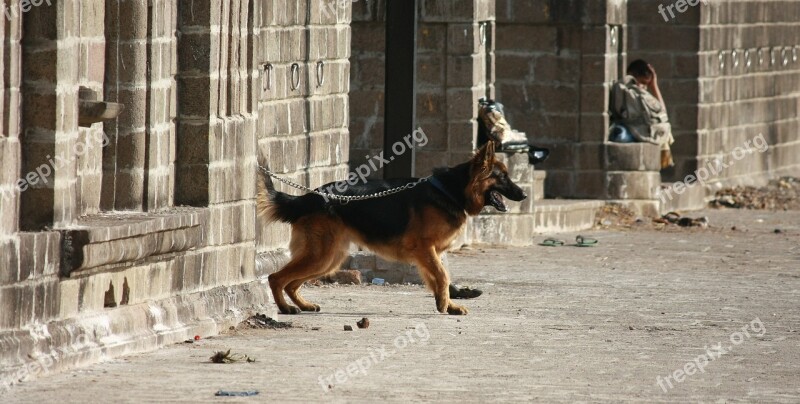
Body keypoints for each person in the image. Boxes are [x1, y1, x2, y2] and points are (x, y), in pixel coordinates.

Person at [609, 59, 674, 168]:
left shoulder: (641, 96)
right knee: (620, 136)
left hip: (640, 131)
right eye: (642, 83)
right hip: (629, 130)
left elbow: (662, 115)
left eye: (647, 85)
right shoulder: (627, 90)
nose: (644, 88)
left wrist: (654, 85)